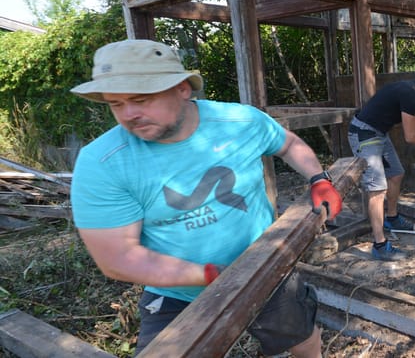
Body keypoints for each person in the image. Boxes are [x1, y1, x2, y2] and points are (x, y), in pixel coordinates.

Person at [69, 39, 342, 357]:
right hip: (178, 291)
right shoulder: (103, 162)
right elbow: (117, 258)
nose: (129, 114)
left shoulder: (239, 122)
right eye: (116, 104)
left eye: (141, 99)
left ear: (183, 88)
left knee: (301, 337)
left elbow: (288, 144)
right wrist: (211, 276)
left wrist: (318, 179)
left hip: (265, 266)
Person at [348, 63, 415, 261]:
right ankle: (380, 245)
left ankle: (392, 218)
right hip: (364, 134)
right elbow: (411, 136)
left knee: (396, 173)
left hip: (378, 133)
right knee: (377, 189)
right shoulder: (409, 93)